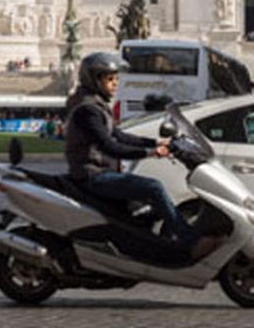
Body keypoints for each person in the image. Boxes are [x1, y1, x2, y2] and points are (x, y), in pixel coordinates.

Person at [64, 52, 218, 260]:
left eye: (116, 79)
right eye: (110, 79)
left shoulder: (96, 105)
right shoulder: (88, 110)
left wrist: (156, 142)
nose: (115, 84)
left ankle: (146, 242)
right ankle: (190, 241)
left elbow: (120, 135)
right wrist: (150, 153)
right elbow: (110, 146)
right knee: (154, 187)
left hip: (101, 172)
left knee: (150, 200)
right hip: (92, 175)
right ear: (94, 80)